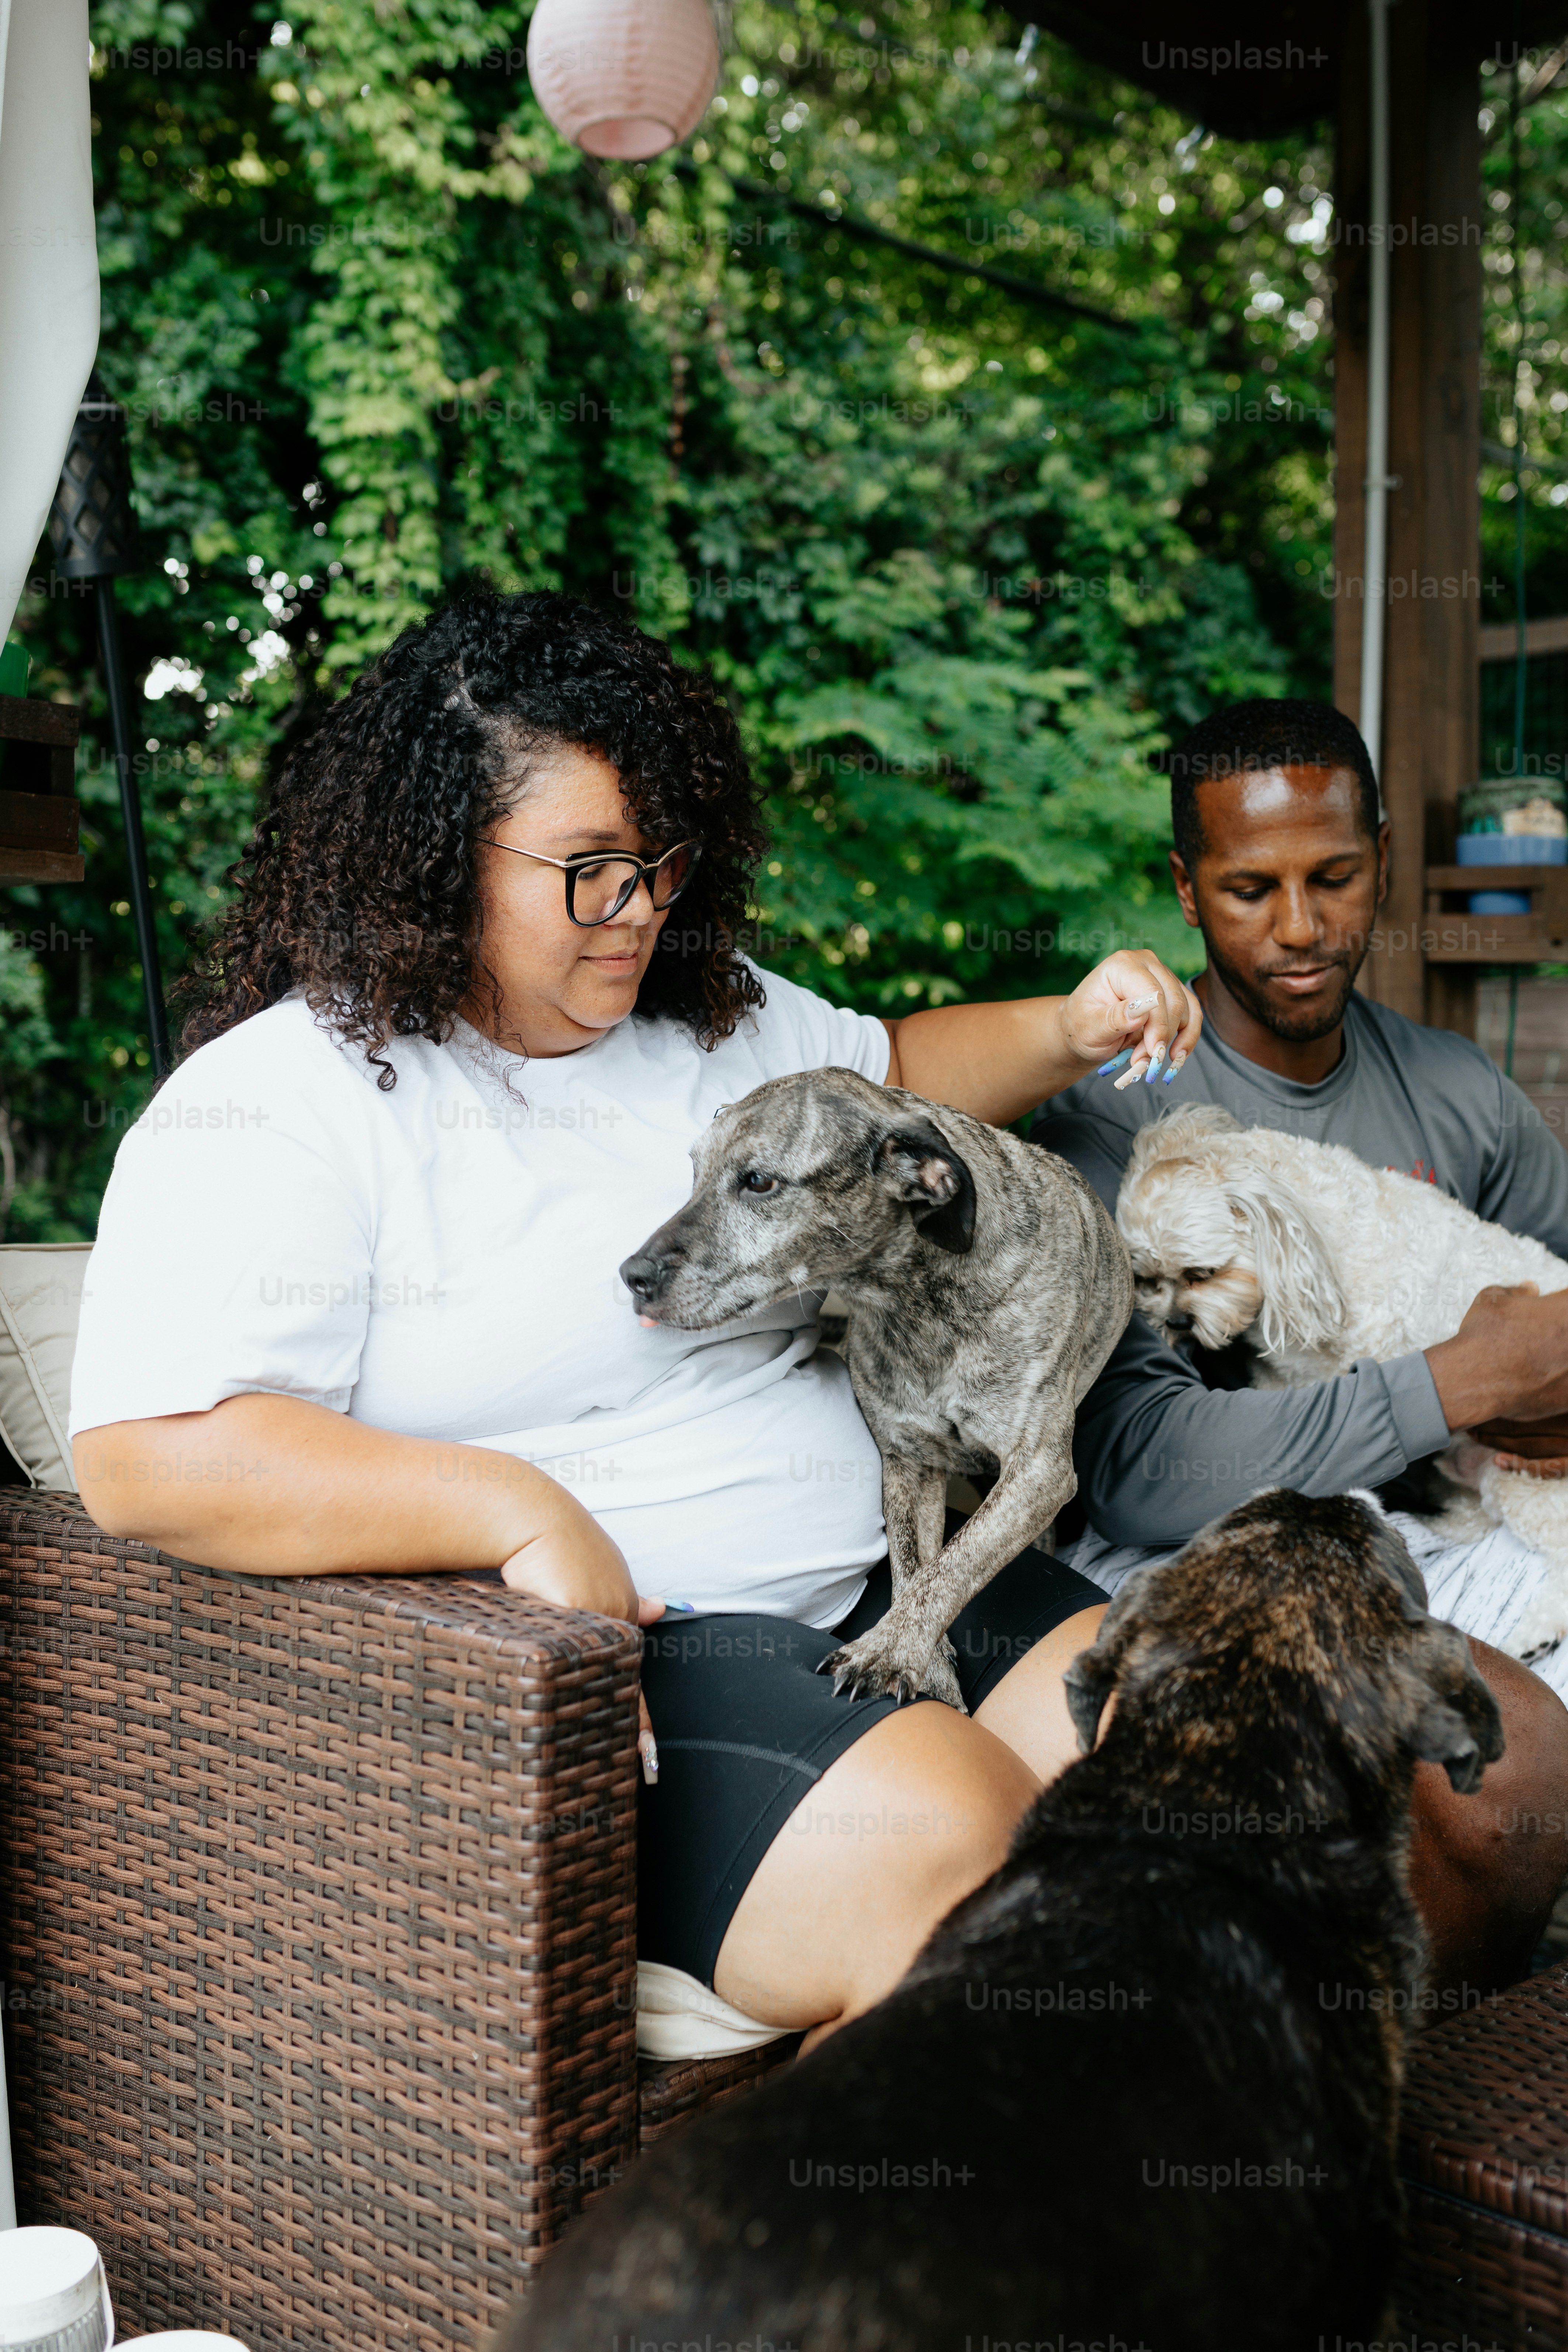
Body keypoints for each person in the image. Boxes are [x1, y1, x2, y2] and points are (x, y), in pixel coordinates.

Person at [68, 588, 1202, 2048]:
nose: (644, 908)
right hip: (652, 1651)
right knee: (971, 1852)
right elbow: (149, 1454)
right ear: (434, 859)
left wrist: (1071, 1022)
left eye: (659, 863)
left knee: (1213, 1765)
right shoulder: (282, 1104)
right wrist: (519, 1509)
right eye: (589, 871)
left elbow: (899, 1062)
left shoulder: (702, 1015)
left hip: (896, 1575)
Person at [1034, 696, 1568, 1985]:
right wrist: (1462, 1379)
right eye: (1246, 886)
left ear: (1381, 855)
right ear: (1182, 886)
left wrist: (1538, 1400)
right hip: (1245, 1559)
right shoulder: (1115, 1123)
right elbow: (1138, 1468)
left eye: (1333, 876)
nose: (1296, 926)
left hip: (1472, 1523)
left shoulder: (1459, 1093)